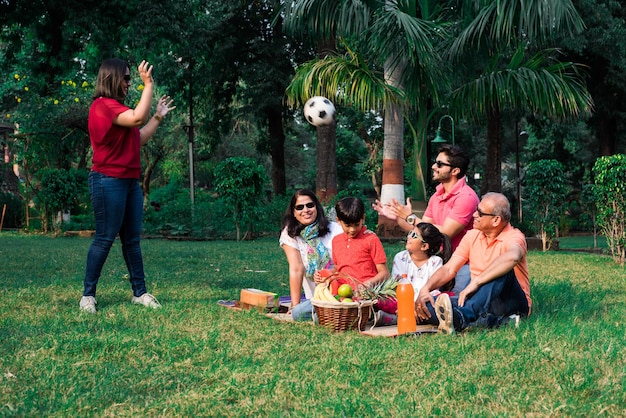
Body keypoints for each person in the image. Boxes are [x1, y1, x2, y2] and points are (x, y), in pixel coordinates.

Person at [79, 59, 175, 314]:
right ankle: (88, 296)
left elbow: (139, 137)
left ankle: (139, 293)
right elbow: (136, 119)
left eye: (132, 79)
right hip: (107, 180)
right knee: (104, 238)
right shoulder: (102, 107)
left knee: (131, 241)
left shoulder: (118, 110)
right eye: (126, 78)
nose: (129, 83)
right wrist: (149, 84)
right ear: (112, 79)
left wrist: (157, 116)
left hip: (130, 183)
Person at [414, 193, 531, 334]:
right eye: (476, 210)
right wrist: (426, 288)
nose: (474, 215)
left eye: (480, 213)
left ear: (496, 220)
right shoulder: (472, 235)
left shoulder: (514, 236)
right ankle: (491, 321)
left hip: (509, 303)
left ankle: (462, 317)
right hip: (477, 301)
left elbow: (513, 256)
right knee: (426, 305)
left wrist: (476, 282)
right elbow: (449, 268)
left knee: (502, 269)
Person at [372, 144, 479, 293]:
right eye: (435, 162)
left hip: (462, 265)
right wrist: (398, 218)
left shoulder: (466, 198)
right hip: (438, 262)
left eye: (440, 164)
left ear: (455, 171)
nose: (434, 166)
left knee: (451, 305)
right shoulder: (436, 196)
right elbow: (424, 231)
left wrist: (410, 217)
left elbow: (445, 233)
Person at [280, 189, 343, 320]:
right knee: (299, 314)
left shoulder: (336, 229)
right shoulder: (290, 234)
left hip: (342, 290)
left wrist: (329, 274)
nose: (306, 210)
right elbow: (296, 269)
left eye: (310, 205)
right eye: (299, 207)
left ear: (317, 207)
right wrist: (294, 305)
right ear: (294, 212)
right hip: (317, 298)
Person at [376, 222, 453, 326]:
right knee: (381, 300)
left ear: (424, 246)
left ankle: (395, 319)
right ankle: (412, 316)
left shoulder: (435, 261)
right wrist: (409, 305)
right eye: (410, 233)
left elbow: (434, 291)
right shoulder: (400, 257)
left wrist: (417, 305)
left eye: (414, 236)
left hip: (424, 303)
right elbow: (397, 286)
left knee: (446, 298)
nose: (409, 237)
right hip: (402, 301)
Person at [326, 197, 389, 288]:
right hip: (343, 295)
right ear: (338, 221)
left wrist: (369, 284)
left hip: (367, 295)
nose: (352, 230)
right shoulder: (336, 241)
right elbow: (337, 268)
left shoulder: (371, 239)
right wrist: (326, 274)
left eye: (356, 225)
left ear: (363, 218)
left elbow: (384, 273)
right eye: (347, 225)